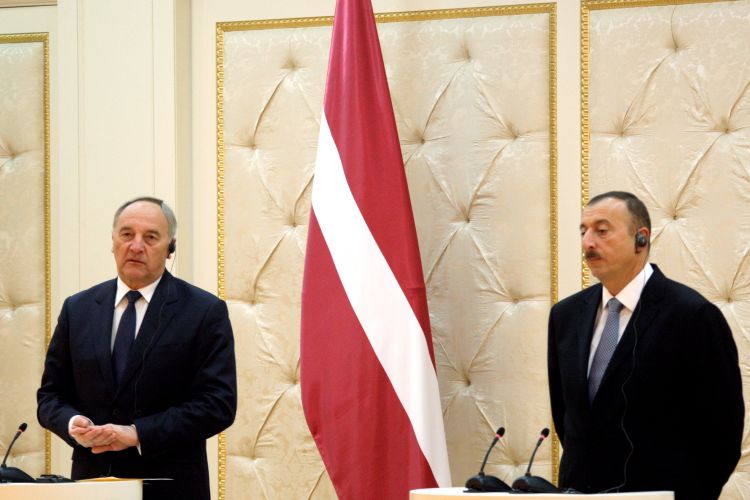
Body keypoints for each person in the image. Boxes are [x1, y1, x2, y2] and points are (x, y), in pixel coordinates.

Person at [37, 196, 237, 500]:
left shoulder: (204, 311)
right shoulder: (77, 309)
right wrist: (73, 423)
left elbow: (217, 404)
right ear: (113, 241)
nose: (136, 246)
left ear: (170, 247)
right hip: (92, 483)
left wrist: (138, 433)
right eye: (127, 234)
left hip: (171, 487)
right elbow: (50, 396)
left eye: (151, 237)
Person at [548, 191, 744, 499]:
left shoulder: (691, 315)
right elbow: (569, 418)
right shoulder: (565, 315)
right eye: (583, 231)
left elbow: (722, 430)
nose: (588, 242)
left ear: (641, 239)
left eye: (602, 230)